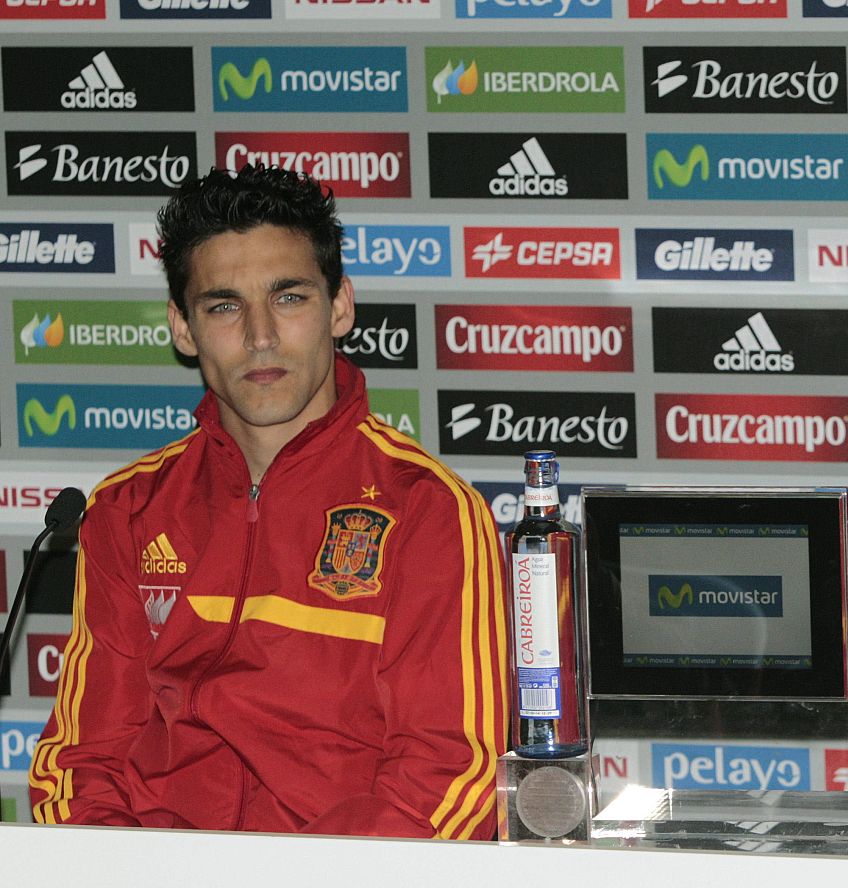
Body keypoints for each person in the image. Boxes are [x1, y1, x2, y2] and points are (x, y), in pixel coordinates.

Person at [28, 165, 508, 839]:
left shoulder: (429, 508)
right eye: (223, 305)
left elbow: (452, 774)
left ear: (339, 306)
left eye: (288, 298)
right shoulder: (128, 508)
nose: (259, 335)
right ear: (183, 327)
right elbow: (83, 761)